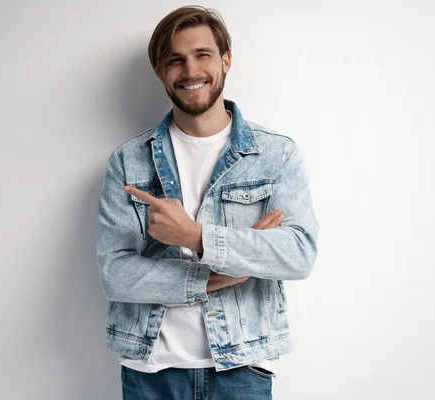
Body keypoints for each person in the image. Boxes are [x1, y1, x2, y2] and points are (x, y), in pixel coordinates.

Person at [96, 5, 318, 399]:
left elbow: (298, 254)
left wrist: (196, 236)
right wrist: (218, 276)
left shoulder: (275, 154)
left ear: (226, 60)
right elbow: (116, 273)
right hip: (151, 371)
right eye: (175, 60)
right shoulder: (129, 160)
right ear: (162, 72)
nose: (190, 71)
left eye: (203, 55)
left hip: (240, 369)